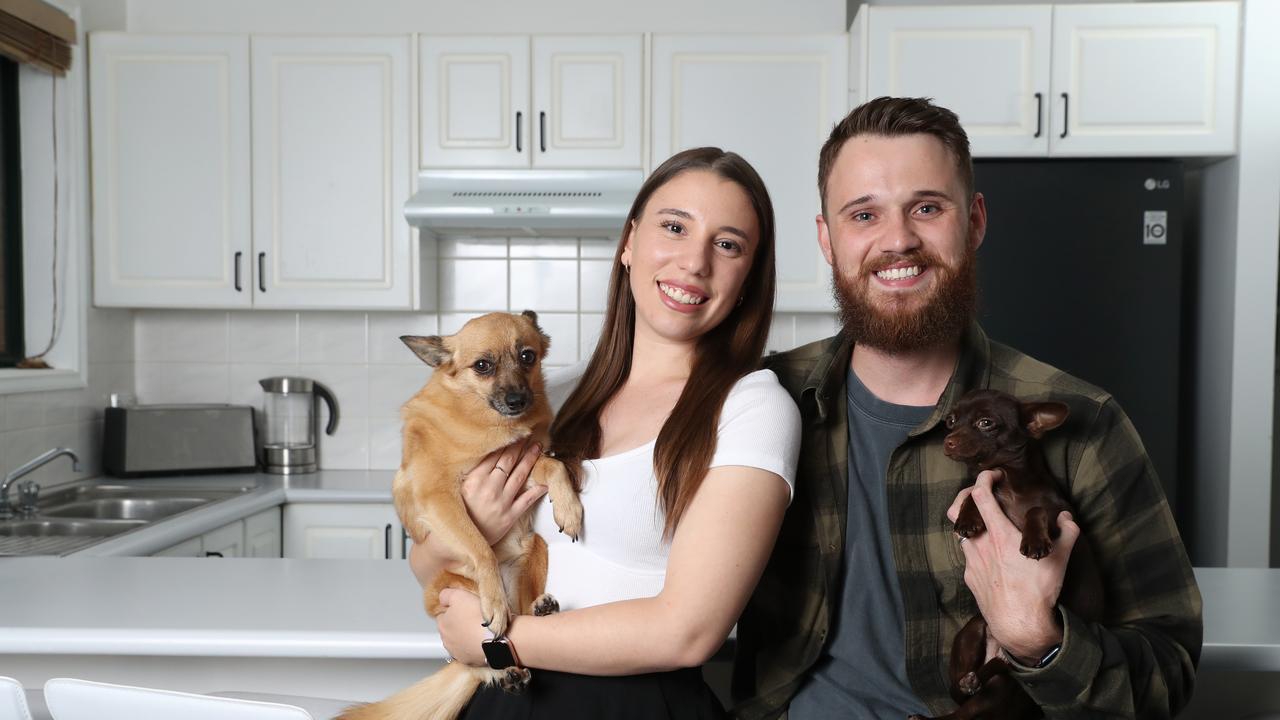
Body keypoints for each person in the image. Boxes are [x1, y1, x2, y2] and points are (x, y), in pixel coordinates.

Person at [730, 97, 1202, 719]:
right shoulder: (761, 403)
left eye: (927, 208)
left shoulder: (1085, 425)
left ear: (974, 221)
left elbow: (1168, 672)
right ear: (827, 237)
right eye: (864, 214)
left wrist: (1040, 641)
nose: (898, 239)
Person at [409, 146, 802, 718]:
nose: (695, 262)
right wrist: (470, 528)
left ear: (747, 277)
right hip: (498, 700)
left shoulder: (752, 408)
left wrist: (497, 641)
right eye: (674, 227)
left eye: (727, 244)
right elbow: (424, 564)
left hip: (629, 706)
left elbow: (688, 632)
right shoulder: (551, 398)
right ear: (629, 242)